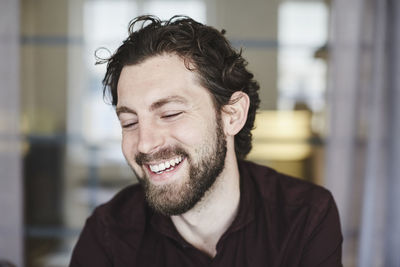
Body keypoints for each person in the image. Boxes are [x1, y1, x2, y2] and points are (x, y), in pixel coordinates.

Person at [70, 15, 342, 266]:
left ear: (232, 115)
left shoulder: (305, 218)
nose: (144, 143)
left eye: (170, 113)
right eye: (130, 122)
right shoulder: (108, 236)